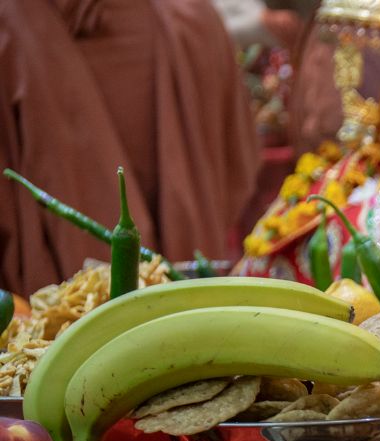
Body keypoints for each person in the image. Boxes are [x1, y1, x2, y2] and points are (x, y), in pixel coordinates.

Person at [0, 0, 259, 294]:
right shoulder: (195, 21)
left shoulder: (9, 28)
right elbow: (238, 171)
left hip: (49, 322)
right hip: (191, 308)